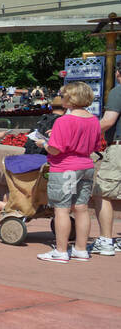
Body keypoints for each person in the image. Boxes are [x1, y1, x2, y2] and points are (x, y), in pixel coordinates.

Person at [39, 82, 103, 262]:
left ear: (71, 98)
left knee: (62, 209)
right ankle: (81, 249)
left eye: (64, 94)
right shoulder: (93, 119)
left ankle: (61, 251)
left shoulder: (64, 120)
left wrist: (43, 143)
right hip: (86, 166)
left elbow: (55, 149)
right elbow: (95, 145)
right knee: (81, 208)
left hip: (65, 168)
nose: (61, 97)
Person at [88, 81, 121, 256]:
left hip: (119, 148)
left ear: (118, 73)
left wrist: (83, 130)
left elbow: (108, 121)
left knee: (102, 193)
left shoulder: (118, 91)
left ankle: (106, 241)